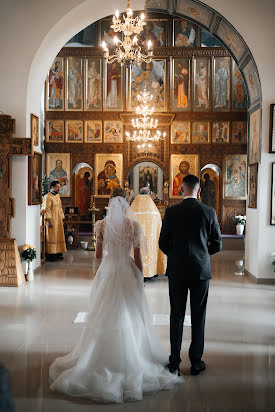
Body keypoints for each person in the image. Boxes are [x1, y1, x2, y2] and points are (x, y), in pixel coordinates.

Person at [49, 188, 182, 402]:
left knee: (104, 313)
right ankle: (130, 358)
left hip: (109, 272)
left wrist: (111, 254)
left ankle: (100, 358)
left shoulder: (101, 225)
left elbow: (100, 255)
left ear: (110, 203)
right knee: (129, 313)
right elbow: (138, 257)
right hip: (127, 271)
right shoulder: (134, 226)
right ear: (127, 202)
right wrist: (139, 277)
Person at [159, 175, 222, 376]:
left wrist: (176, 255)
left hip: (177, 270)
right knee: (198, 316)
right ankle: (196, 362)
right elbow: (218, 243)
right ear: (199, 190)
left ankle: (174, 363)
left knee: (176, 315)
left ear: (181, 189)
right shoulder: (209, 211)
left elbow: (162, 243)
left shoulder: (171, 212)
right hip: (200, 271)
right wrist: (203, 255)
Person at [130, 187, 166, 280]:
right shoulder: (153, 208)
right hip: (150, 238)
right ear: (149, 193)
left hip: (136, 238)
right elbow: (159, 224)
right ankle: (151, 270)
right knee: (150, 249)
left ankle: (135, 270)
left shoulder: (134, 206)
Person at [45, 181, 67, 262]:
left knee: (59, 235)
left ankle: (58, 253)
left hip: (58, 219)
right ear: (52, 187)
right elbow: (47, 209)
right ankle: (51, 255)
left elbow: (60, 207)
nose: (59, 188)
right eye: (57, 187)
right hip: (52, 220)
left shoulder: (57, 196)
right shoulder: (48, 196)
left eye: (59, 187)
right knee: (52, 236)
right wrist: (49, 220)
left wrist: (62, 217)